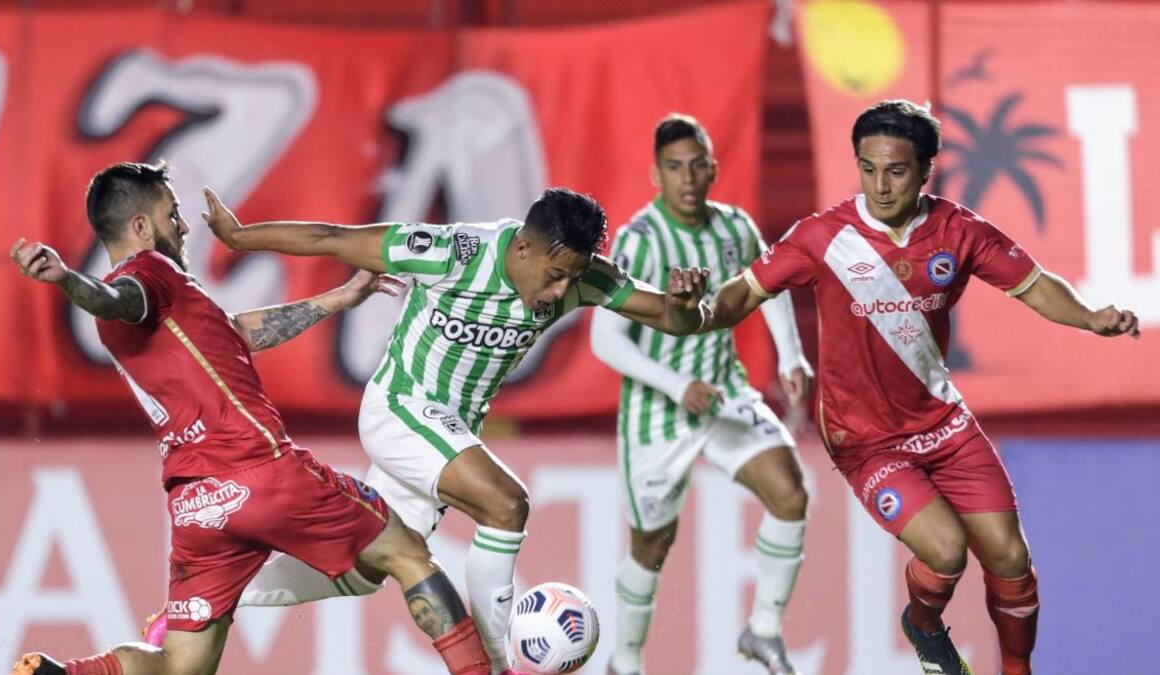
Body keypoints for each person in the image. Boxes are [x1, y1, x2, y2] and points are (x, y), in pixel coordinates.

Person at [698, 100, 1140, 675]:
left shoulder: (959, 230)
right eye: (868, 168)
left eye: (897, 171)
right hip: (865, 440)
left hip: (943, 423)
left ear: (926, 169)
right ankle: (924, 626)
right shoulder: (822, 236)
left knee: (1011, 559)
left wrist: (1088, 318)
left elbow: (1032, 284)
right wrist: (702, 311)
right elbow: (744, 292)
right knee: (947, 550)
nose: (880, 185)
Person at [194, 185, 710, 674]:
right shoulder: (455, 252)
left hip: (449, 432)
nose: (559, 292)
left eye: (570, 280)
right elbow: (334, 237)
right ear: (524, 247)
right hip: (401, 408)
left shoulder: (582, 278)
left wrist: (685, 307)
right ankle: (496, 662)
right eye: (554, 274)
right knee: (507, 504)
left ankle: (212, 594)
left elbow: (672, 316)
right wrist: (240, 237)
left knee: (368, 567)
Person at [8, 161, 491, 675]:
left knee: (179, 667)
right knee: (407, 552)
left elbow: (235, 334)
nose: (184, 226)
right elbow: (113, 300)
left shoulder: (171, 307)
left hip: (199, 505)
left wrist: (337, 299)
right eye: (173, 214)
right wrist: (66, 280)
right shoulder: (148, 273)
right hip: (261, 471)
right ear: (142, 228)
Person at [590, 114, 813, 675]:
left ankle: (762, 631)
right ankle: (626, 660)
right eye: (674, 167)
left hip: (722, 394)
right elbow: (604, 339)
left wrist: (790, 355)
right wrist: (675, 383)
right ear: (655, 175)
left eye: (695, 165)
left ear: (712, 169)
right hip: (657, 415)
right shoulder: (639, 241)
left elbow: (771, 282)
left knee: (790, 494)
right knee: (652, 546)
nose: (686, 178)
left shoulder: (735, 228)